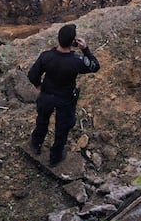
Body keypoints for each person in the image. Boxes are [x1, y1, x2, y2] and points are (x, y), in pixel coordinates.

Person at [28, 24, 100, 166]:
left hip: (46, 95)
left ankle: (36, 144)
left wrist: (38, 85)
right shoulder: (76, 62)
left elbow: (32, 74)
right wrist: (85, 49)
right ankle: (55, 157)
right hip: (65, 99)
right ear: (73, 42)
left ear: (58, 38)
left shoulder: (46, 56)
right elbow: (94, 66)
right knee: (62, 128)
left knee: (42, 121)